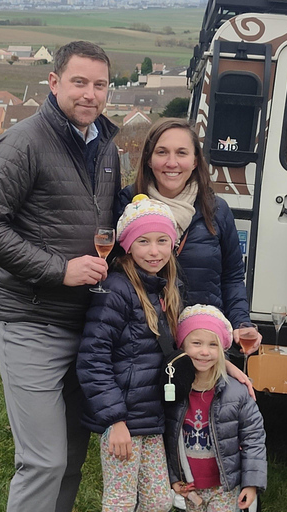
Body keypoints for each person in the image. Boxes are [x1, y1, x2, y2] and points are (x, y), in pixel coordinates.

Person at [0, 41, 120, 512]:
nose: (90, 94)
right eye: (79, 82)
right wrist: (60, 270)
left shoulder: (107, 146)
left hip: (85, 326)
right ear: (54, 83)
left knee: (72, 458)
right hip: (30, 322)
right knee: (44, 461)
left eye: (100, 85)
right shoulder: (24, 141)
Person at [118, 118, 262, 354]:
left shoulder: (216, 210)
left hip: (202, 344)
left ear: (195, 161)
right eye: (162, 152)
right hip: (142, 343)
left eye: (181, 153)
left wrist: (241, 323)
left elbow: (232, 277)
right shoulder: (127, 204)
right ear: (148, 159)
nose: (171, 162)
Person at [77, 195, 181, 512]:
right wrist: (115, 420)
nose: (154, 251)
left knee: (159, 501)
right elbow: (92, 359)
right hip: (122, 419)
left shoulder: (164, 288)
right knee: (121, 501)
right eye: (144, 241)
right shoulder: (116, 290)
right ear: (128, 246)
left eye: (163, 240)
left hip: (150, 416)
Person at [164, 305, 267, 512]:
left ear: (221, 350)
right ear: (182, 346)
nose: (204, 352)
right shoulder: (173, 393)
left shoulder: (236, 393)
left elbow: (253, 439)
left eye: (213, 344)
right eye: (196, 343)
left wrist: (251, 483)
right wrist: (173, 478)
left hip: (224, 487)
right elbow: (166, 440)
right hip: (190, 486)